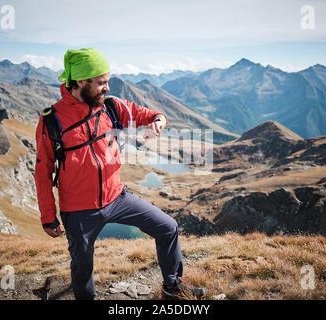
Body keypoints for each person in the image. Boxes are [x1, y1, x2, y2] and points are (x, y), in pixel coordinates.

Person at [34, 48, 205, 300]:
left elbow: (150, 114)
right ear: (81, 81)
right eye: (101, 82)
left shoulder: (112, 107)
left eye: (108, 81)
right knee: (82, 268)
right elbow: (43, 172)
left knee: (168, 227)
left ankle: (172, 287)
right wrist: (48, 217)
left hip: (117, 198)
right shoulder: (52, 121)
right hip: (79, 209)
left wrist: (158, 120)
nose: (107, 87)